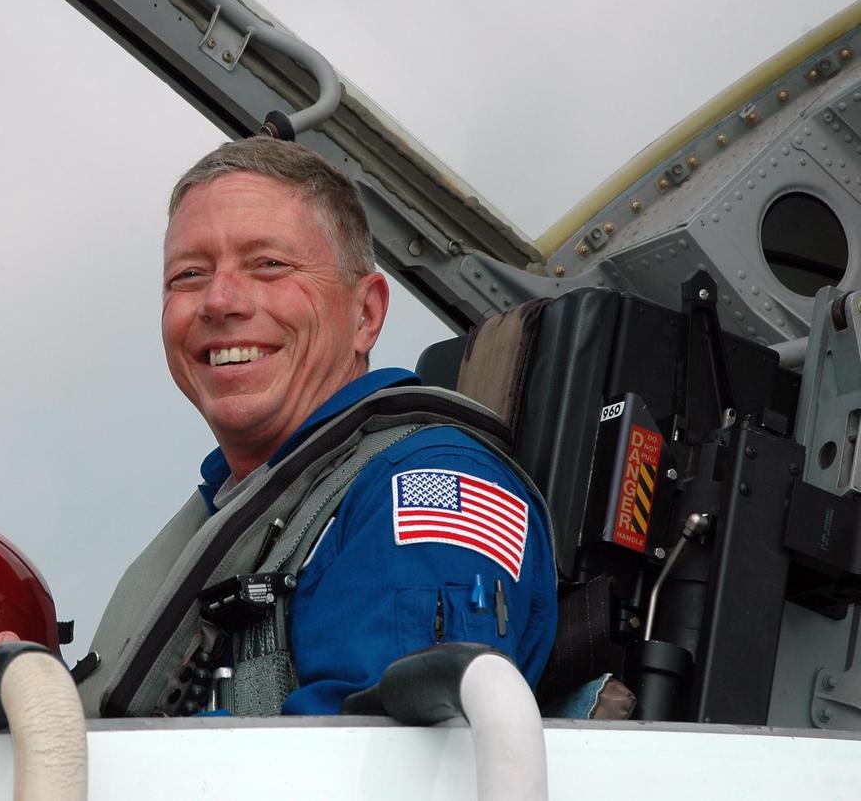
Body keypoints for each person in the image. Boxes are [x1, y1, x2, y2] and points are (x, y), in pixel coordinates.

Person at [76, 136, 557, 717]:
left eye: (269, 265)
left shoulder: (433, 487)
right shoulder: (237, 507)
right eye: (189, 275)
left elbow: (375, 766)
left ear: (367, 314)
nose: (219, 300)